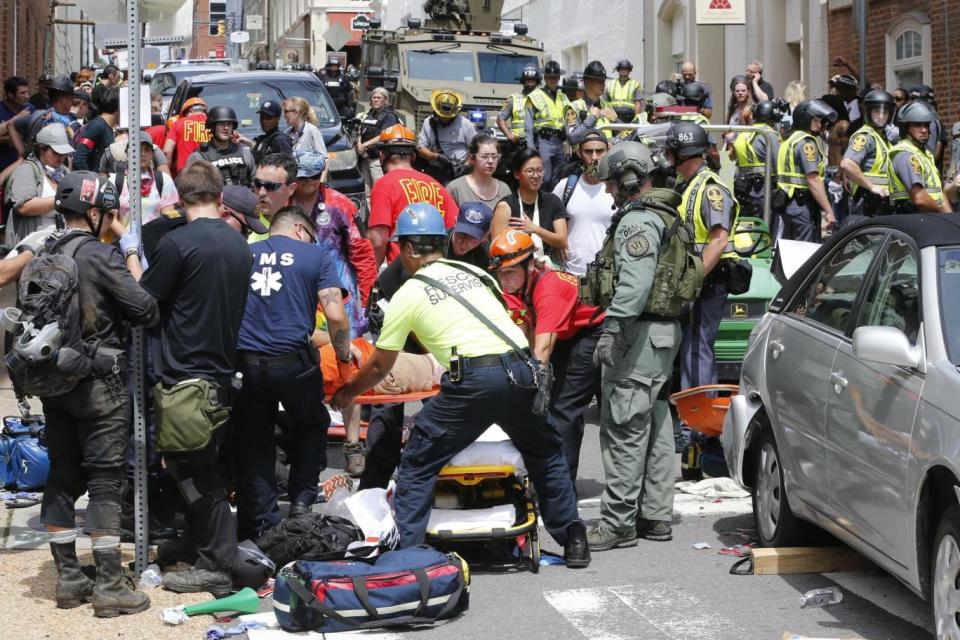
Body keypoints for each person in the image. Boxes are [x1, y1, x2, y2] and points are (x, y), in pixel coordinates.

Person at [330, 203, 590, 568]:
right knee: (544, 451)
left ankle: (406, 556)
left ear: (405, 249)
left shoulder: (410, 291)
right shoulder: (476, 273)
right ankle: (573, 537)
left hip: (472, 379)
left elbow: (379, 365)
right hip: (520, 369)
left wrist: (347, 393)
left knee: (419, 461)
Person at [40, 171, 159, 617]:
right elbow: (144, 307)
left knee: (61, 476)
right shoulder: (99, 254)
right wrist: (125, 247)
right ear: (93, 213)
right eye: (105, 213)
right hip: (100, 384)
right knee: (107, 481)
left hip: (55, 383)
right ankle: (110, 584)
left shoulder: (45, 252)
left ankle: (69, 578)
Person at [139, 161, 252, 596]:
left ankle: (217, 563)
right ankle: (214, 552)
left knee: (190, 469)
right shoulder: (240, 245)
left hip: (184, 375)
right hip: (221, 372)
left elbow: (145, 304)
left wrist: (132, 256)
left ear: (180, 201)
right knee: (202, 466)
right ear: (220, 198)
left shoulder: (177, 245)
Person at [583, 141, 685, 549]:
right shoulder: (665, 215)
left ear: (628, 179)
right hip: (661, 335)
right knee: (656, 423)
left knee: (624, 427)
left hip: (637, 335)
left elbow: (636, 283)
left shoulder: (637, 221)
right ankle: (655, 516)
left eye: (611, 182)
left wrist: (612, 328)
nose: (607, 190)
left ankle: (618, 523)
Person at [230, 205, 352, 540]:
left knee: (254, 439)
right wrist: (343, 354)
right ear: (301, 230)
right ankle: (301, 502)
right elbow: (336, 314)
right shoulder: (315, 255)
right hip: (294, 363)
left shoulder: (245, 253)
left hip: (248, 364)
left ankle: (261, 519)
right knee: (312, 425)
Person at [489, 230, 603, 483]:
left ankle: (560, 488)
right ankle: (550, 477)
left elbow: (541, 350)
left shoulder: (548, 288)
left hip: (592, 332)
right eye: (500, 273)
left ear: (530, 265)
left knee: (563, 410)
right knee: (549, 406)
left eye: (510, 272)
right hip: (568, 333)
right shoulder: (522, 284)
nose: (504, 280)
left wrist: (529, 385)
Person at [665, 122, 739, 477]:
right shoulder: (688, 186)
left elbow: (719, 239)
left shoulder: (710, 190)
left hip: (703, 286)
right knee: (688, 358)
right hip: (690, 284)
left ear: (680, 154)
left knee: (697, 361)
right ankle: (692, 432)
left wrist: (692, 280)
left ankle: (699, 438)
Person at [292, 151, 376, 337]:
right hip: (298, 296)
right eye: (302, 177)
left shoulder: (339, 204)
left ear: (321, 173)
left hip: (339, 296)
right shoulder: (283, 203)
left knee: (346, 350)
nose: (308, 181)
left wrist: (366, 301)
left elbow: (362, 253)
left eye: (313, 176)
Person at [367, 124, 458, 266]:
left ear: (381, 155)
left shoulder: (384, 185)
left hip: (403, 272)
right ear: (413, 156)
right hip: (437, 270)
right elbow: (454, 230)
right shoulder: (436, 185)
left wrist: (369, 279)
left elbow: (377, 240)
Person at [552, 129, 614, 276]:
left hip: (607, 276)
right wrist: (556, 244)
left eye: (599, 151)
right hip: (571, 274)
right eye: (588, 151)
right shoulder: (565, 186)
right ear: (579, 153)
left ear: (608, 151)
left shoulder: (617, 190)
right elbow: (548, 218)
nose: (594, 157)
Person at [491, 148, 568, 265]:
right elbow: (497, 250)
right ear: (517, 174)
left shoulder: (552, 201)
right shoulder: (506, 207)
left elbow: (562, 240)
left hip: (547, 272)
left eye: (540, 170)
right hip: (517, 273)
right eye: (530, 171)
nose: (536, 176)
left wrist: (535, 229)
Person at [776, 99, 837, 241]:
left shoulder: (789, 139)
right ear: (805, 120)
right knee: (805, 250)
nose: (821, 125)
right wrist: (829, 211)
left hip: (788, 203)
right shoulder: (806, 143)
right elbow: (813, 180)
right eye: (817, 120)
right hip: (802, 204)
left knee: (789, 249)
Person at [6, 124, 73, 246]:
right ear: (42, 149)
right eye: (57, 152)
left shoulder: (64, 172)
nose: (62, 157)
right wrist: (60, 199)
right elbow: (23, 206)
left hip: (61, 243)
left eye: (64, 153)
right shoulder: (26, 170)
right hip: (32, 246)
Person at [839, 90, 894, 219]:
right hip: (866, 201)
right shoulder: (865, 137)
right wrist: (871, 186)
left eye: (885, 112)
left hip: (880, 201)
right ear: (868, 112)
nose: (881, 116)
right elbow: (847, 163)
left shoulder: (882, 137)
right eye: (876, 111)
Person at [887, 100, 950, 214]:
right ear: (905, 128)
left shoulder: (926, 155)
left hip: (931, 218)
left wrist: (950, 219)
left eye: (926, 125)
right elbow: (920, 199)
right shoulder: (904, 155)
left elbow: (939, 193)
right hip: (911, 219)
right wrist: (943, 215)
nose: (924, 130)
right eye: (917, 125)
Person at [110, 130, 179, 232]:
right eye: (137, 149)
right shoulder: (115, 181)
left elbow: (168, 218)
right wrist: (129, 241)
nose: (143, 154)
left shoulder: (164, 180)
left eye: (147, 150)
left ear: (152, 154)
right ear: (128, 153)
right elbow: (111, 219)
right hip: (123, 244)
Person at [732, 100, 781, 219]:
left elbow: (732, 156)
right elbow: (779, 162)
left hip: (742, 185)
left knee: (746, 222)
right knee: (766, 225)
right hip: (764, 187)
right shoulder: (770, 134)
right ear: (772, 117)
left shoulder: (743, 134)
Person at [416, 89, 475, 184]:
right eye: (442, 116)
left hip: (459, 172)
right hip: (435, 171)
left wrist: (466, 166)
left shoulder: (466, 124)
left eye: (448, 117)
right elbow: (421, 149)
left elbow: (475, 150)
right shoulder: (428, 122)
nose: (445, 119)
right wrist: (436, 156)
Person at [187, 106, 255, 187]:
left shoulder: (244, 153)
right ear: (212, 127)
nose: (226, 128)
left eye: (229, 124)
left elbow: (255, 184)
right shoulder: (198, 157)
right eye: (222, 124)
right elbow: (192, 190)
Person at [445, 132, 512, 209]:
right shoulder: (455, 188)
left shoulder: (504, 189)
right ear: (472, 159)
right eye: (484, 156)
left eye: (494, 156)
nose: (490, 161)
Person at [356, 87, 400, 191]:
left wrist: (364, 145)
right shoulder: (368, 114)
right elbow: (360, 130)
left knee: (378, 188)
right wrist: (359, 143)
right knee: (366, 189)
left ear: (386, 100)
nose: (375, 100)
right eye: (373, 97)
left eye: (379, 98)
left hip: (377, 159)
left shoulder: (390, 116)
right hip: (364, 156)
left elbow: (384, 134)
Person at [565, 61, 617, 146]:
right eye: (599, 81)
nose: (603, 85)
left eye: (603, 81)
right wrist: (592, 118)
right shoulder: (575, 106)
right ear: (587, 82)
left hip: (608, 155)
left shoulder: (607, 105)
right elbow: (572, 138)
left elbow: (624, 133)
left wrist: (615, 121)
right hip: (585, 156)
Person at [537, 60, 570, 188]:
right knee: (545, 177)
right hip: (544, 140)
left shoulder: (563, 96)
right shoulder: (537, 95)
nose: (553, 80)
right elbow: (529, 123)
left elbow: (570, 114)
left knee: (560, 176)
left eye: (556, 77)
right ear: (545, 77)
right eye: (550, 77)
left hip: (559, 141)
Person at [251, 153, 299, 241]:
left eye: (271, 186)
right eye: (257, 183)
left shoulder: (300, 228)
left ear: (291, 189)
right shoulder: (241, 224)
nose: (262, 192)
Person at [163, 98, 209, 177]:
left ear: (190, 111)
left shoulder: (178, 123)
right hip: (210, 172)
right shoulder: (215, 124)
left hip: (186, 173)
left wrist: (167, 176)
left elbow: (167, 151)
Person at [240, 100, 293, 165]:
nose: (264, 121)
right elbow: (259, 150)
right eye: (262, 118)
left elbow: (287, 167)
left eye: (269, 118)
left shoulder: (280, 140)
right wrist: (245, 141)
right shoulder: (263, 138)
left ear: (277, 119)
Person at [446, 201, 494, 270]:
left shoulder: (487, 254)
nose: (464, 243)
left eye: (473, 238)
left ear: (485, 236)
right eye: (462, 235)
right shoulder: (437, 241)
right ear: (455, 223)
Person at [0, 76, 31, 173]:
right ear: (10, 94)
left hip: (20, 166)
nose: (27, 96)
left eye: (27, 92)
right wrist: (17, 118)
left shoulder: (30, 108)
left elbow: (31, 135)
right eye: (22, 93)